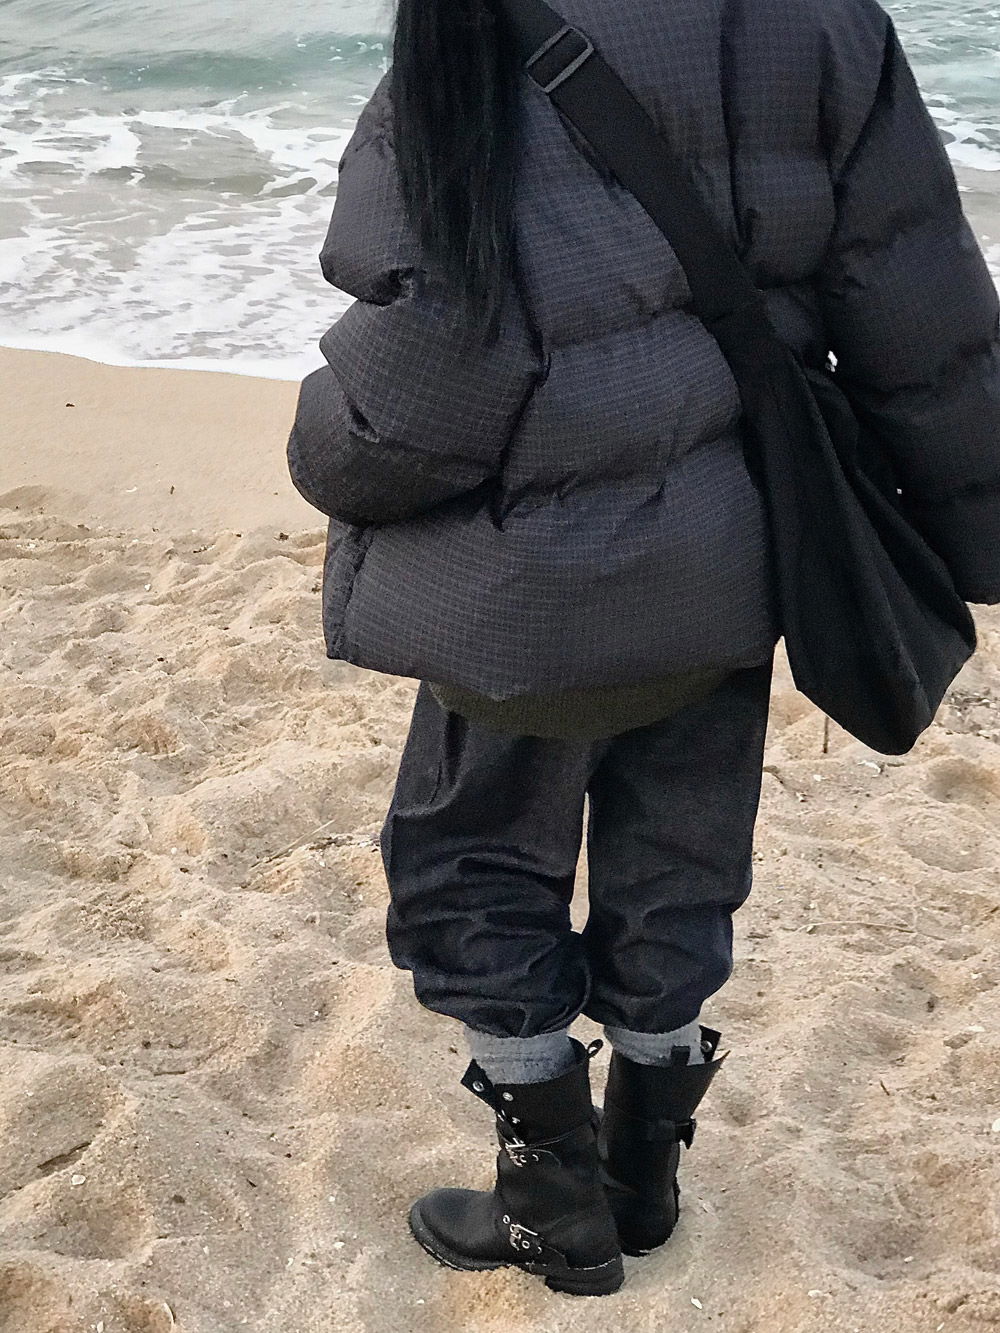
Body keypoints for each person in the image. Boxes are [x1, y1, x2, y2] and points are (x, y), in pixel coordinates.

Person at [286, 0, 1000, 1298]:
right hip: (735, 549)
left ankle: (551, 1201)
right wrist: (976, 525)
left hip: (521, 585)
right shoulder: (829, 20)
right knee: (681, 859)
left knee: (472, 860)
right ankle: (644, 1174)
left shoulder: (469, 22)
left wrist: (330, 454)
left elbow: (433, 350)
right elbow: (920, 298)